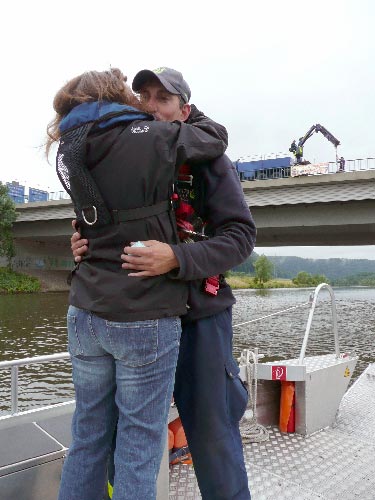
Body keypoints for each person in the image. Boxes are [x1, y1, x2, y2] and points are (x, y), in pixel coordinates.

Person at [71, 67, 256, 500]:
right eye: (144, 97)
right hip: (135, 318)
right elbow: (97, 218)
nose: (151, 106)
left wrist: (177, 257)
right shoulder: (123, 152)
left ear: (184, 110)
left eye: (163, 98)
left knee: (212, 436)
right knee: (120, 441)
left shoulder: (208, 160)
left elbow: (241, 236)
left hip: (198, 319)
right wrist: (79, 238)